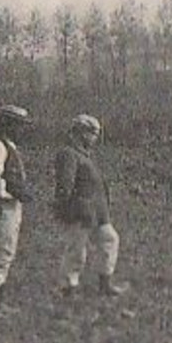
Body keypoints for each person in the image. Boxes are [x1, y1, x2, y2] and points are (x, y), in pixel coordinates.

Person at [54, 114, 125, 297]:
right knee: (76, 250)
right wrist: (65, 208)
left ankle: (105, 283)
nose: (94, 138)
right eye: (92, 133)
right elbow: (65, 185)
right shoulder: (69, 154)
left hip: (97, 213)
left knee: (110, 240)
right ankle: (68, 288)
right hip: (79, 212)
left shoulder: (85, 156)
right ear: (81, 133)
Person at [0, 104, 33, 314]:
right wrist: (6, 193)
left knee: (6, 252)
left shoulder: (9, 146)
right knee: (0, 253)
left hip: (9, 206)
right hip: (1, 207)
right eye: (19, 125)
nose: (23, 130)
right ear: (7, 125)